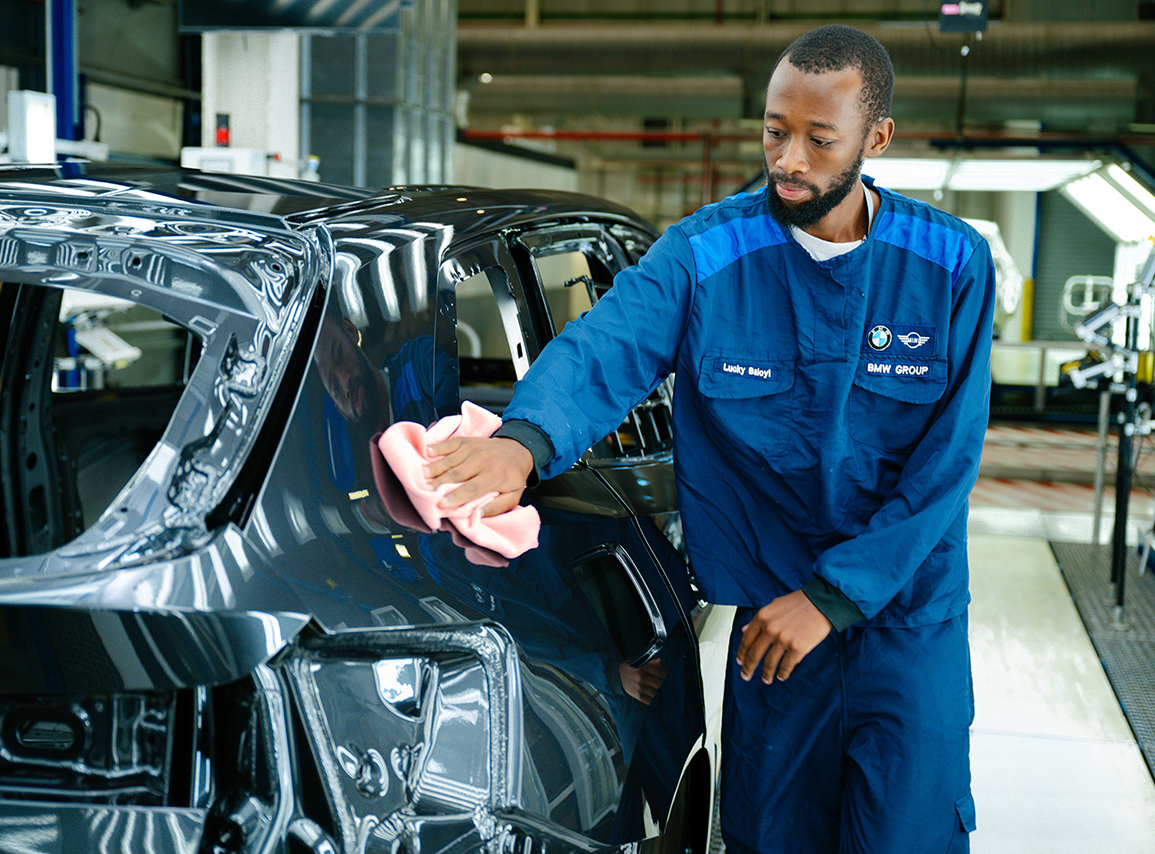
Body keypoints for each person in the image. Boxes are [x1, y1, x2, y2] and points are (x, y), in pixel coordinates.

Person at [425, 24, 993, 854]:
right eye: (774, 130)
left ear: (876, 140)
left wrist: (834, 599)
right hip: (773, 629)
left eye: (817, 139)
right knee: (771, 835)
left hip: (906, 624)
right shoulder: (707, 254)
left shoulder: (949, 264)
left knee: (906, 833)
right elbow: (607, 345)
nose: (789, 159)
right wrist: (525, 439)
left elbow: (949, 462)